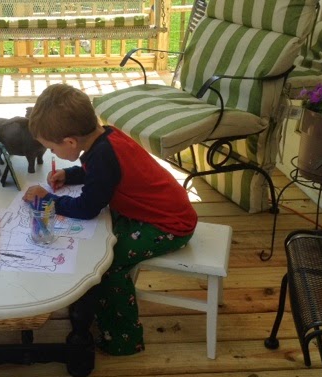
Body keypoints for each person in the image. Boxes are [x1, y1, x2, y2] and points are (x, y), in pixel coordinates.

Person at [23, 84, 198, 356]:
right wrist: (70, 175)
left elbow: (87, 208)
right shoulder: (105, 138)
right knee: (96, 245)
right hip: (153, 213)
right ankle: (94, 307)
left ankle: (123, 339)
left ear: (70, 142)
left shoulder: (103, 155)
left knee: (106, 263)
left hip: (169, 226)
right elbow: (98, 173)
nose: (52, 154)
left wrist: (48, 199)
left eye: (51, 149)